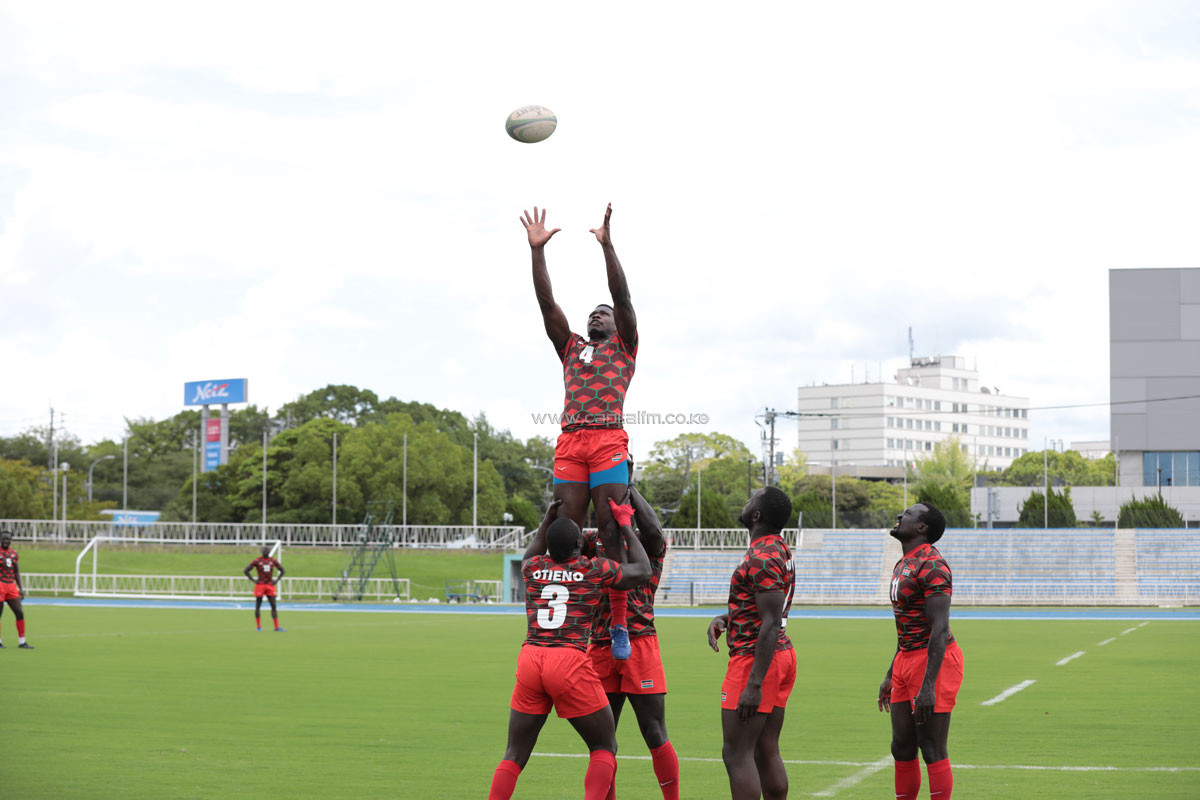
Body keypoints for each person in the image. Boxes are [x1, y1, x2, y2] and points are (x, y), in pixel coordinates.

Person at [522, 203, 638, 659]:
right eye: (592, 313)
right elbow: (546, 303)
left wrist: (608, 246)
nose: (597, 315)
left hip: (608, 438)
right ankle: (568, 620)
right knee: (565, 530)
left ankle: (619, 624)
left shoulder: (625, 347)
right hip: (571, 440)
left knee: (611, 531)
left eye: (603, 314)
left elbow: (622, 296)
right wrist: (537, 253)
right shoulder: (570, 348)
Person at [488, 495, 654, 800]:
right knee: (604, 746)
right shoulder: (592, 569)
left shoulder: (532, 568)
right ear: (579, 545)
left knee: (514, 753)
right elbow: (643, 570)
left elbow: (531, 552)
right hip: (568, 660)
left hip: (531, 657)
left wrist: (546, 521)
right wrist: (626, 525)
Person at [582, 481, 680, 799]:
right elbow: (565, 529)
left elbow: (653, 529)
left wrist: (627, 487)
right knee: (602, 740)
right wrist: (589, 490)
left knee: (654, 731)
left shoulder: (647, 547)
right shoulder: (592, 544)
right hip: (599, 645)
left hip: (640, 644)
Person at [706, 487, 796, 800]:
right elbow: (764, 610)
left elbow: (770, 621)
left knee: (736, 753)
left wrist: (753, 684)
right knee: (765, 749)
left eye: (750, 499)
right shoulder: (777, 548)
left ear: (756, 515)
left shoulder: (761, 555)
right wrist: (730, 618)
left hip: (755, 660)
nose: (745, 502)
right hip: (779, 654)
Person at [877, 502, 963, 800]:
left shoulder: (933, 565)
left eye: (909, 515)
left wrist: (928, 685)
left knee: (931, 747)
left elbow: (939, 628)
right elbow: (907, 628)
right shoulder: (904, 563)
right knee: (901, 746)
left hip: (934, 662)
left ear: (922, 528)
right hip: (906, 659)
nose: (900, 516)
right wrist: (891, 672)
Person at [0, 531, 33, 649]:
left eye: (8, 539)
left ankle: (22, 641)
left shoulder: (14, 553)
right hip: (0, 585)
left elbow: (16, 571)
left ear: (11, 540)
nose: (6, 541)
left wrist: (21, 588)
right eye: (4, 539)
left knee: (19, 612)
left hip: (11, 586)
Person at [243, 546, 286, 632]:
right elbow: (246, 570)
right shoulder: (257, 561)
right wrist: (253, 580)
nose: (265, 551)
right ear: (262, 552)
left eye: (267, 550)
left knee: (273, 606)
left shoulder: (273, 561)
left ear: (269, 552)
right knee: (258, 605)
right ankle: (258, 627)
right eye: (264, 550)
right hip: (260, 585)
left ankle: (276, 627)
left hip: (270, 585)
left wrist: (277, 580)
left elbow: (282, 570)